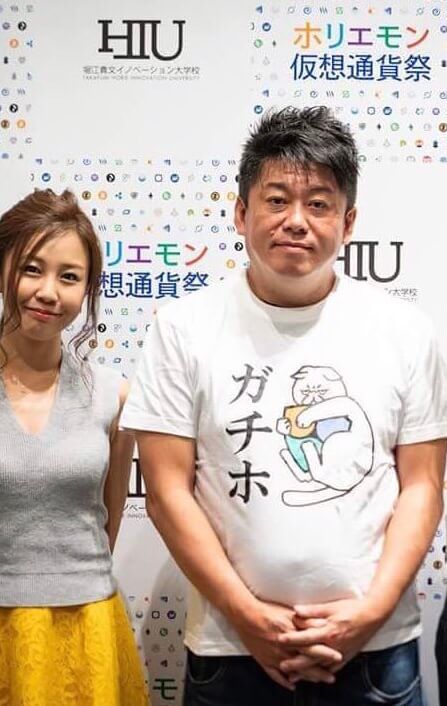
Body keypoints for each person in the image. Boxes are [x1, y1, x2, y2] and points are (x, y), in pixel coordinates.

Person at [120, 106, 447, 706]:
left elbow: (423, 486)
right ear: (241, 213)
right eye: (276, 201)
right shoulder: (182, 327)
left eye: (319, 204)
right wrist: (248, 617)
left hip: (376, 650)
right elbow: (166, 491)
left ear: (348, 222)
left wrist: (368, 614)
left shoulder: (405, 331)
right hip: (231, 649)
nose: (296, 221)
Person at [0, 189, 149, 706]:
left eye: (70, 277)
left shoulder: (114, 396)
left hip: (86, 630)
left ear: (87, 289)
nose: (48, 292)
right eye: (31, 269)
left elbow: (107, 519)